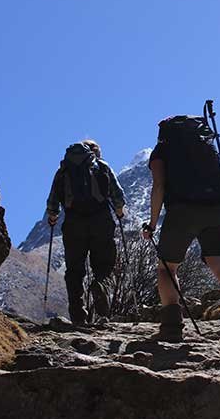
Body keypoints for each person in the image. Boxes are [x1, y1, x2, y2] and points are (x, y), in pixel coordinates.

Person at [142, 114, 220, 347]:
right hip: (218, 210)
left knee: (167, 268)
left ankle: (172, 327)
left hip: (182, 211)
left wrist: (153, 223)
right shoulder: (207, 148)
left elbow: (159, 187)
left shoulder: (162, 151)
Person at [46, 139, 125, 324]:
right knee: (104, 264)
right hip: (101, 220)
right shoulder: (102, 166)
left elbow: (52, 200)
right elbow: (118, 194)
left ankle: (77, 313)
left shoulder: (63, 170)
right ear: (95, 152)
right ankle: (100, 286)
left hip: (73, 223)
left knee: (74, 269)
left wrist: (52, 216)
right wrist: (120, 211)